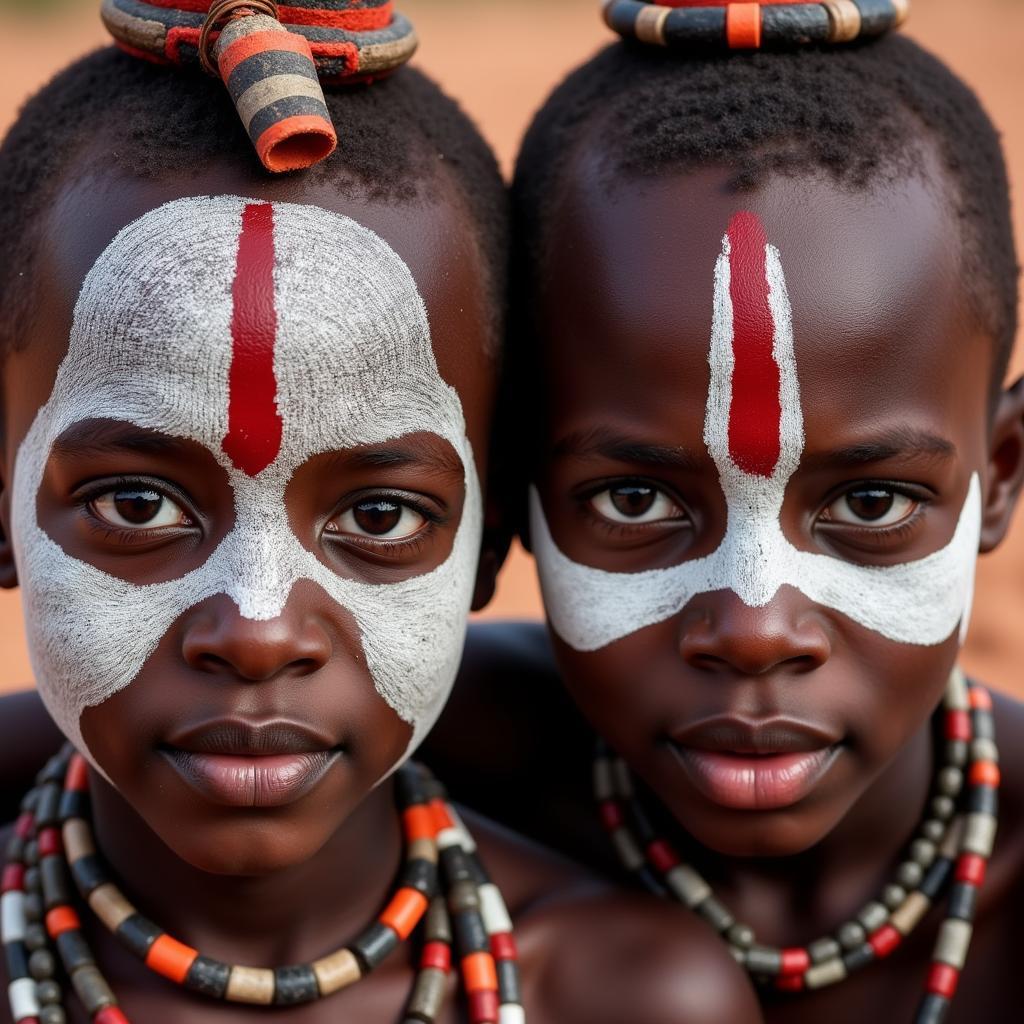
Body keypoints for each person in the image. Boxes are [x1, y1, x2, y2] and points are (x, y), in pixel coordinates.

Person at [0, 7, 762, 1023]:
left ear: (491, 538)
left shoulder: (622, 994)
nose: (260, 629)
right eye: (137, 503)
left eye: (383, 516)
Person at [427, 10, 1024, 1024]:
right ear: (514, 489)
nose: (754, 626)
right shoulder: (395, 769)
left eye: (869, 501)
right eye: (636, 499)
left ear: (998, 476)